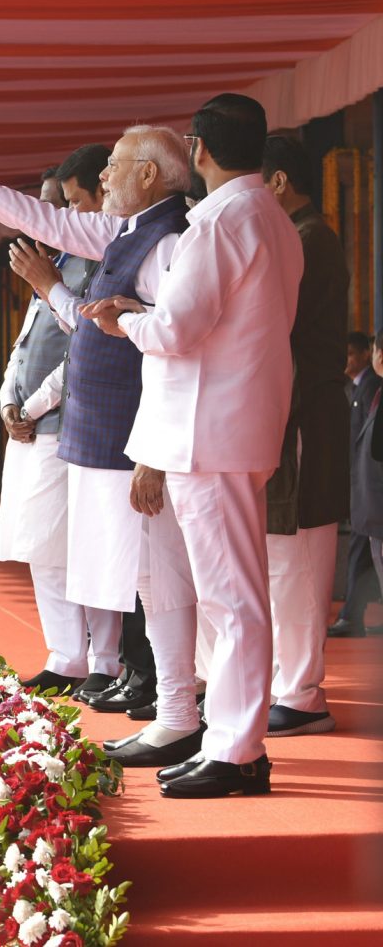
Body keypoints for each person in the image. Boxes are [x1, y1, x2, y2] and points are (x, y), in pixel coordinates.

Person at [0, 125, 202, 770]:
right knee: (147, 581)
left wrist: (153, 451)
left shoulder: (171, 241)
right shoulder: (125, 233)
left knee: (167, 579)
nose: (104, 179)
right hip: (108, 437)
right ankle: (176, 710)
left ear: (152, 176)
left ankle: (183, 712)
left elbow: (173, 356)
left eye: (116, 166)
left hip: (139, 440)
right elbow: (44, 224)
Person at [84, 93, 303, 797]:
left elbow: (177, 331)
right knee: (232, 594)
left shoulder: (216, 223)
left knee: (232, 598)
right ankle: (229, 740)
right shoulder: (273, 217)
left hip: (208, 429)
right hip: (236, 422)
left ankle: (237, 748)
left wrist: (125, 320)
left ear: (199, 148)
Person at [0, 150, 121, 696]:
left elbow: (87, 353)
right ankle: (65, 654)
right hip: (31, 428)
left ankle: (105, 660)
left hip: (69, 424)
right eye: (48, 208)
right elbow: (23, 348)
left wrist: (35, 407)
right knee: (42, 547)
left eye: (62, 205)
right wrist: (6, 403)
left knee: (86, 548)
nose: (49, 219)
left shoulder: (93, 264)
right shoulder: (58, 264)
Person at [259, 135, 349, 736]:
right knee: (282, 556)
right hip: (293, 410)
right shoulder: (303, 236)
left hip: (306, 415)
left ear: (279, 183)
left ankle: (302, 691)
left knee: (298, 555)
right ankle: (288, 683)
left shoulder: (309, 239)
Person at [335, 331, 381, 637]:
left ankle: (352, 615)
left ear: (367, 353)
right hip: (364, 491)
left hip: (372, 493)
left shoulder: (369, 388)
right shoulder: (359, 388)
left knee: (362, 552)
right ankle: (352, 613)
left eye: (353, 353)